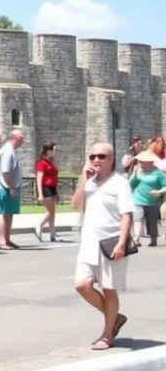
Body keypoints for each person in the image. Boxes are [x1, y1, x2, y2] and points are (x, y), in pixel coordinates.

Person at [72, 141, 134, 351]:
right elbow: (76, 205)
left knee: (108, 289)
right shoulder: (89, 182)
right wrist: (83, 179)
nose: (96, 160)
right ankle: (115, 318)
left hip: (110, 244)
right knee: (82, 285)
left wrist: (121, 243)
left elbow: (127, 215)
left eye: (101, 156)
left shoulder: (120, 183)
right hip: (89, 243)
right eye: (92, 157)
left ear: (111, 160)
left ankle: (108, 334)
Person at [128, 150, 166, 247]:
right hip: (137, 199)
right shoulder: (139, 171)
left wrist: (159, 192)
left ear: (150, 162)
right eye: (139, 161)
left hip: (152, 201)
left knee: (152, 222)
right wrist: (134, 174)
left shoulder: (158, 173)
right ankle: (136, 239)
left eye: (142, 161)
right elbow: (131, 184)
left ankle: (153, 239)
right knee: (137, 219)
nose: (139, 163)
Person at [0, 129, 25, 250]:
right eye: (21, 137)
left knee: (10, 214)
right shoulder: (8, 151)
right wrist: (12, 188)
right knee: (5, 214)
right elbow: (6, 171)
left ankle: (7, 239)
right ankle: (3, 241)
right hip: (6, 187)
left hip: (10, 187)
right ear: (14, 137)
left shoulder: (11, 150)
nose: (23, 140)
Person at [35, 142, 61, 242]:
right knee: (50, 212)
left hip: (52, 187)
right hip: (45, 187)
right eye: (53, 150)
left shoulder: (50, 163)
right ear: (48, 151)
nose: (55, 152)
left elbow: (55, 178)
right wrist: (40, 193)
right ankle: (39, 226)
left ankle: (53, 234)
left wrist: (58, 191)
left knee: (52, 212)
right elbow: (39, 178)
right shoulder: (42, 163)